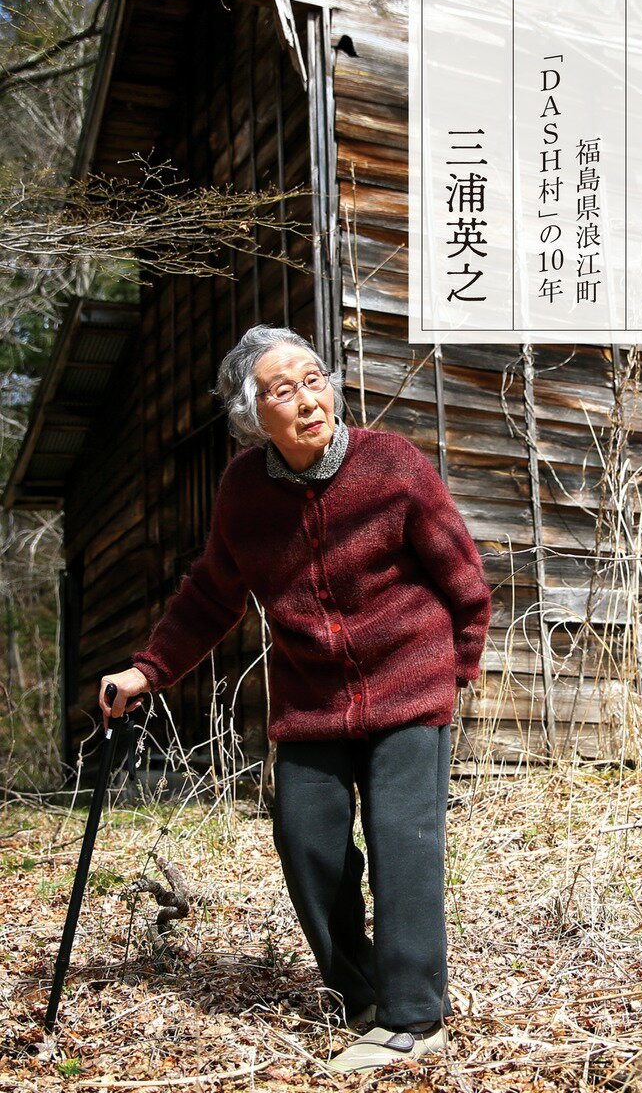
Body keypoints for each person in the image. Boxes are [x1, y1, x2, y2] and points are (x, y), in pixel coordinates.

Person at [99, 324, 491, 1075]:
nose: (310, 400)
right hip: (313, 698)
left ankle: (415, 1015)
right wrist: (149, 670)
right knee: (304, 839)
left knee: (402, 841)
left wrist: (454, 674)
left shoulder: (391, 465)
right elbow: (212, 594)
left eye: (314, 379)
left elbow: (465, 581)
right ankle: (364, 992)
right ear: (253, 417)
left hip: (410, 682)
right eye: (285, 390)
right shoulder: (246, 491)